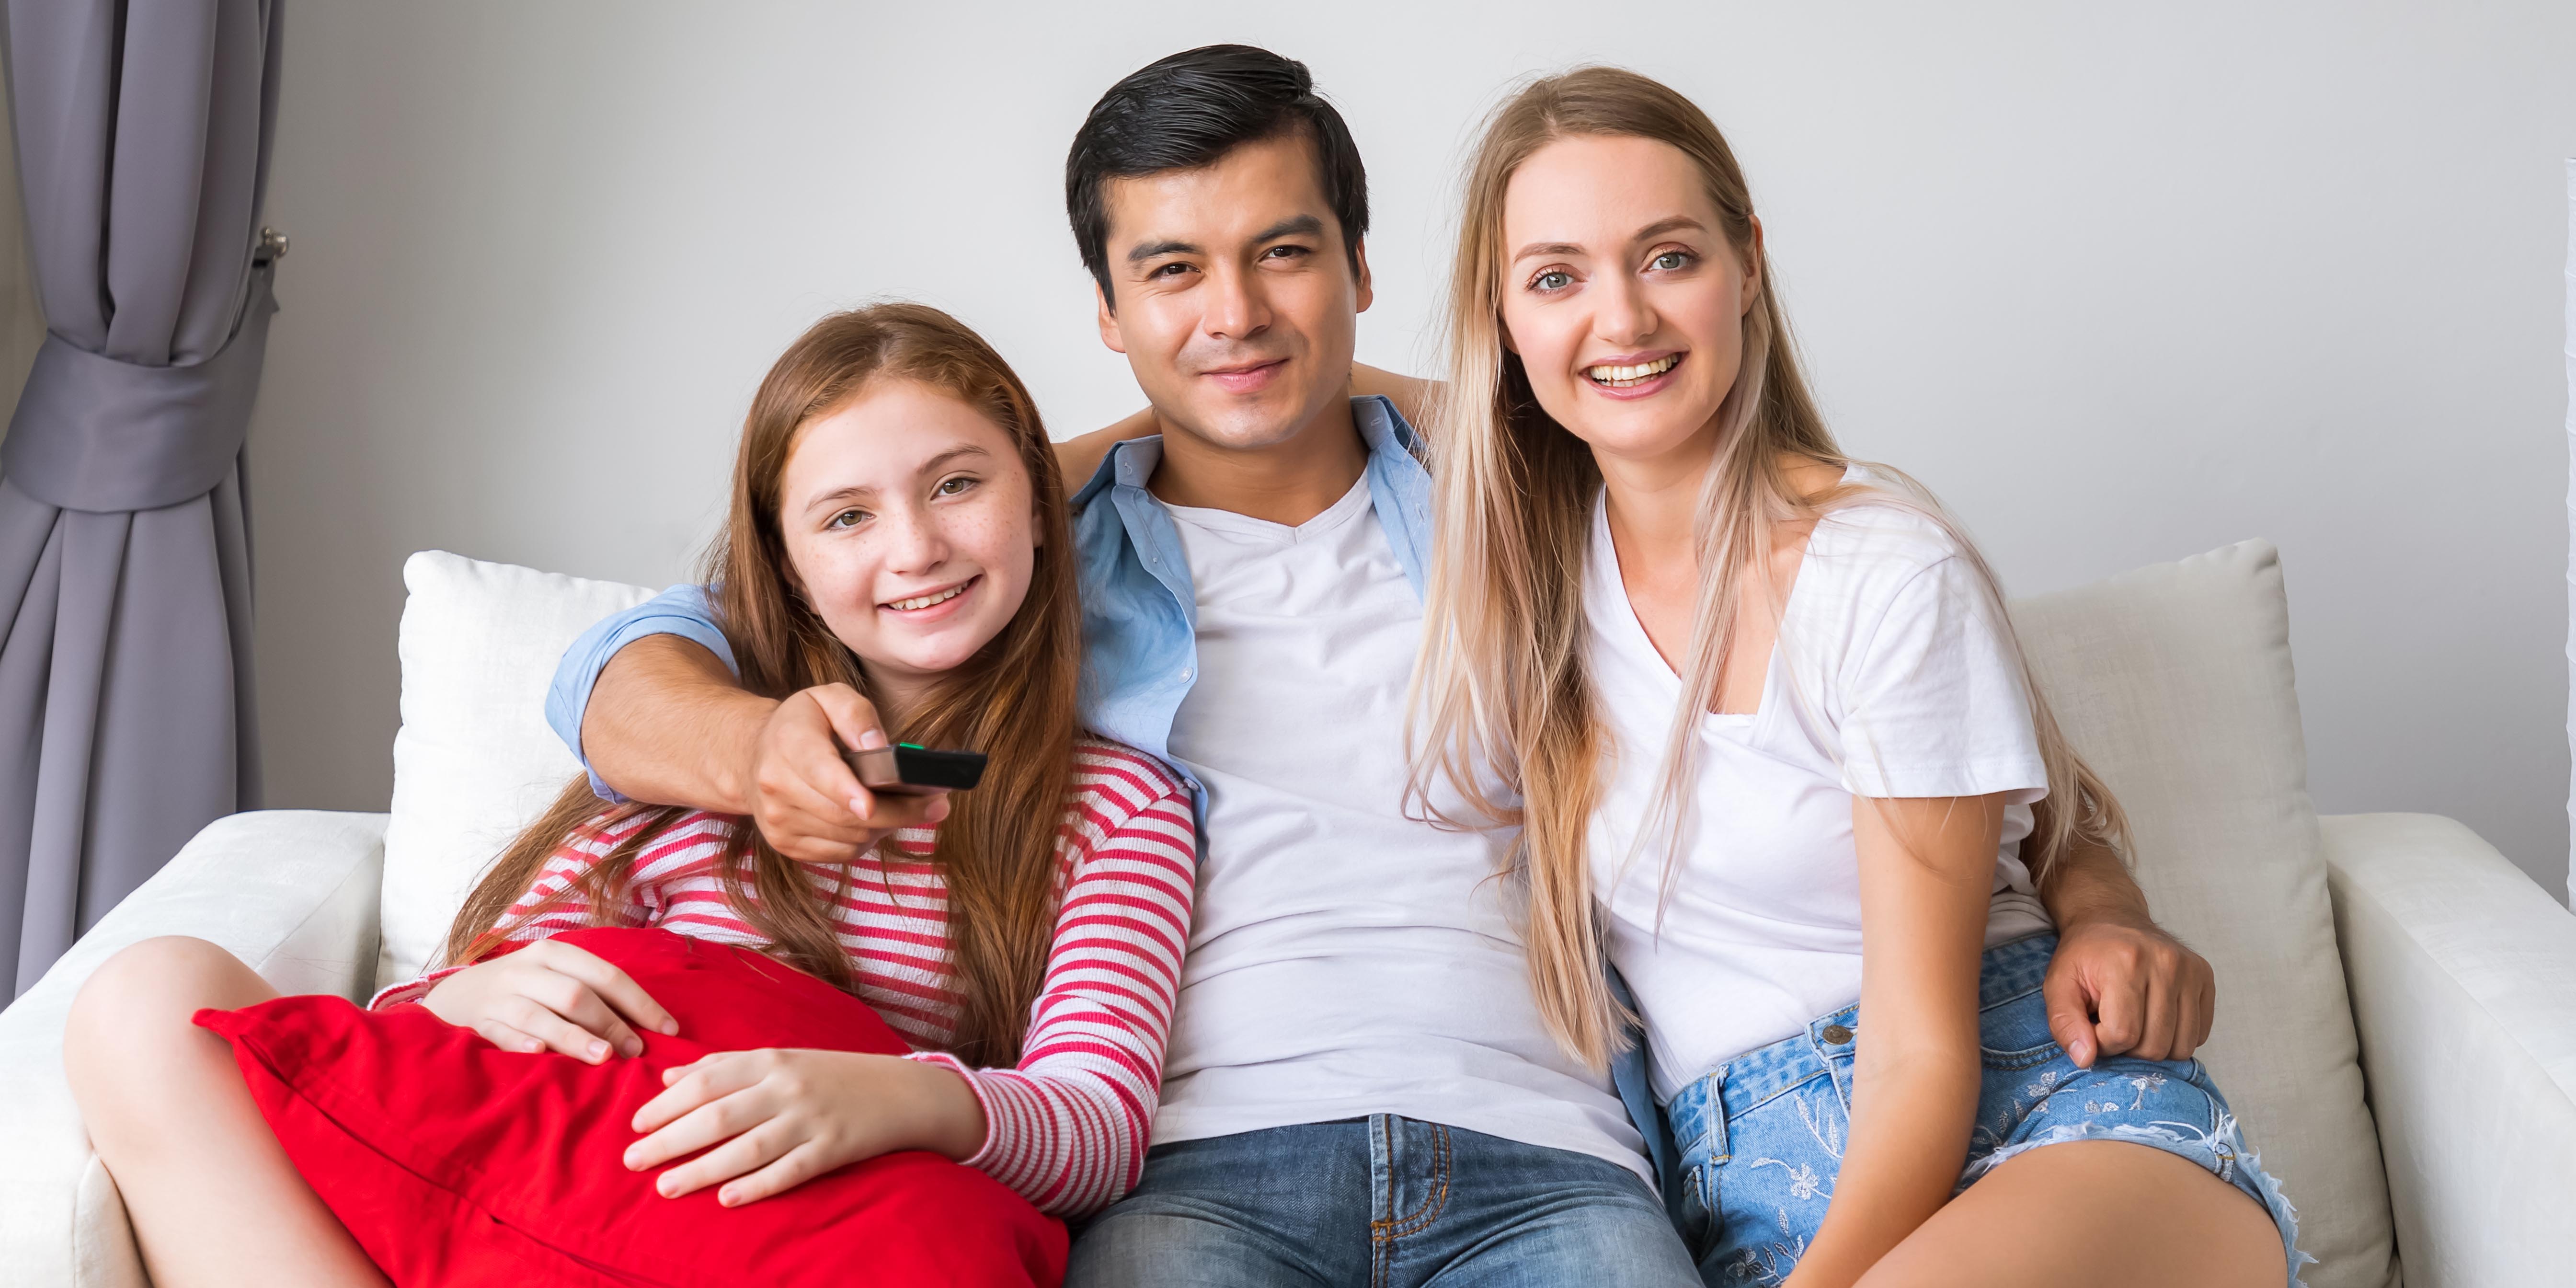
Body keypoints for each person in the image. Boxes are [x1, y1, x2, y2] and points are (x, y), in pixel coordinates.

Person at [552, 46, 2224, 1288]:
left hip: (1553, 1154)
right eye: (1173, 272)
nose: (1237, 313)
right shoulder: (1016, 545)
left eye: (1283, 250)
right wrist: (757, 737)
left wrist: (2092, 880)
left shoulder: (1532, 491)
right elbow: (627, 670)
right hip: (1194, 1166)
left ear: (1358, 268)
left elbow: (1947, 710)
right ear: (1111, 313)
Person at [59, 302, 1198, 1286]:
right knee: (147, 997)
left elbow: (1095, 1126)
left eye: (957, 485)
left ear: (1042, 505)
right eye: (848, 515)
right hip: (543, 1167)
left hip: (794, 1226)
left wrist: (899, 1100)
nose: (915, 548)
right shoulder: (693, 735)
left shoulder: (1116, 808)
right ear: (787, 564)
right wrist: (440, 1005)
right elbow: (499, 989)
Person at [1408, 68, 2304, 1288]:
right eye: (1556, 277)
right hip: (1740, 1196)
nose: (1619, 321)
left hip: (2030, 1125)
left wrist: (2105, 908)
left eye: (1668, 257)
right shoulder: (1536, 587)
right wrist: (1058, 451)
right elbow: (1267, 396)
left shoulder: (1879, 567)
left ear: (1748, 265)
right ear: (1501, 322)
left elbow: (1919, 1057)